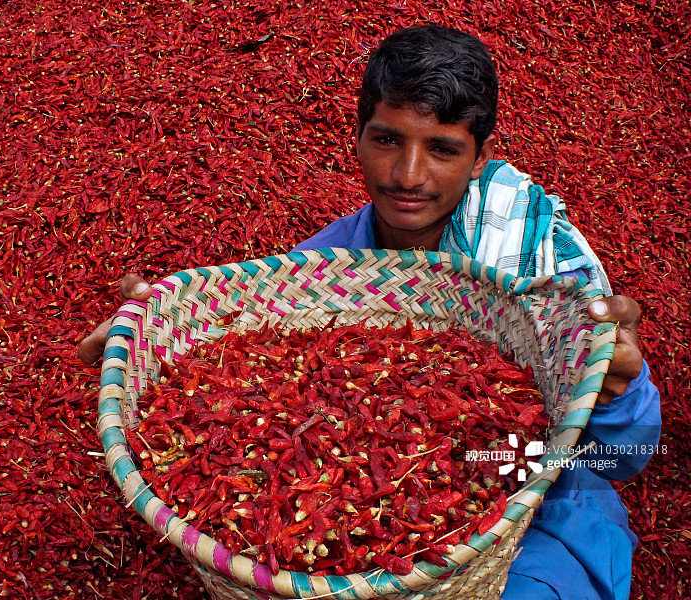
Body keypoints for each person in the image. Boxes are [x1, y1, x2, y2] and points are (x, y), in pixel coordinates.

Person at [79, 25, 660, 600]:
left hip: (540, 527)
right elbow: (227, 343)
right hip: (350, 562)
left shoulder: (544, 271)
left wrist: (616, 391)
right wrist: (156, 332)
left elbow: (626, 455)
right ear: (356, 137)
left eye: (442, 149)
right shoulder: (315, 281)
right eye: (386, 140)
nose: (408, 175)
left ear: (480, 156)